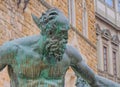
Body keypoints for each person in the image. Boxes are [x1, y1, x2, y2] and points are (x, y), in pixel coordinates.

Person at [0, 8, 100, 87]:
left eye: (67, 34)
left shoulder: (69, 54)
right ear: (49, 32)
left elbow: (95, 81)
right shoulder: (14, 50)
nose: (66, 39)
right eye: (62, 34)